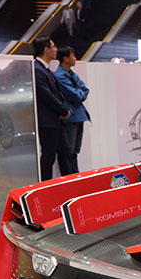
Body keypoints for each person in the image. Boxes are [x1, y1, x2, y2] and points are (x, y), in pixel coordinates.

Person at [32, 37, 72, 181]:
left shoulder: (45, 69)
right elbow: (47, 96)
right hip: (48, 122)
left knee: (66, 154)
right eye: (54, 46)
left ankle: (68, 185)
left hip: (55, 120)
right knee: (48, 156)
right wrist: (63, 110)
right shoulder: (38, 70)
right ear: (46, 49)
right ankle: (45, 186)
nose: (56, 50)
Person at [54, 46, 90, 174]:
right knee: (68, 151)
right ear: (65, 58)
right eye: (73, 55)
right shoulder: (59, 76)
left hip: (78, 116)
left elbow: (85, 89)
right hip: (70, 118)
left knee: (74, 151)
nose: (75, 58)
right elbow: (75, 95)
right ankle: (70, 176)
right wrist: (80, 94)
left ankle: (75, 175)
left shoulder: (71, 74)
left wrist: (80, 94)